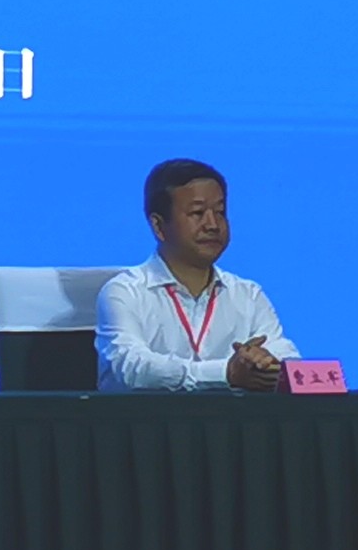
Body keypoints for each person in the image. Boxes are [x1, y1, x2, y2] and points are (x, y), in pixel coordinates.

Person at [99, 159, 299, 393]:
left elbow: (287, 357)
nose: (212, 224)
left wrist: (266, 364)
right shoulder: (125, 292)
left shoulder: (248, 295)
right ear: (158, 226)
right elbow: (131, 366)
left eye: (220, 212)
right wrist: (226, 373)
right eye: (197, 213)